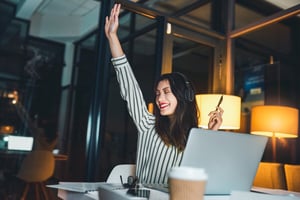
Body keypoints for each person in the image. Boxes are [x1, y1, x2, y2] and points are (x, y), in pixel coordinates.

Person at [105, 3, 223, 184]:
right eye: (158, 93)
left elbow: (203, 175)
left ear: (183, 96)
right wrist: (112, 36)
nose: (160, 98)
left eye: (167, 92)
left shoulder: (195, 136)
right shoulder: (147, 123)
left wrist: (212, 132)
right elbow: (129, 86)